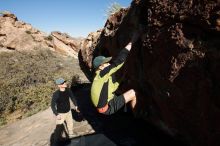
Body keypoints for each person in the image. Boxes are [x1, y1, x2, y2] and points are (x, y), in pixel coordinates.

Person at [91, 40, 137, 115]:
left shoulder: (99, 76)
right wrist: (130, 43)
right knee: (133, 93)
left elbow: (112, 87)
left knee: (123, 90)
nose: (109, 63)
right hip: (106, 108)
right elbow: (118, 62)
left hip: (105, 104)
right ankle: (136, 114)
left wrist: (122, 78)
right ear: (101, 67)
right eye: (106, 63)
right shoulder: (102, 74)